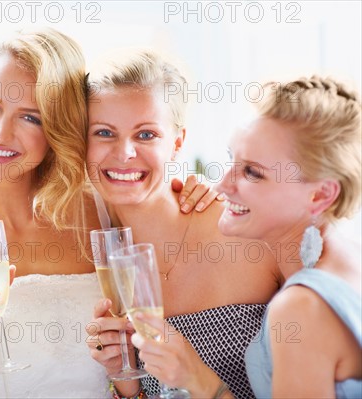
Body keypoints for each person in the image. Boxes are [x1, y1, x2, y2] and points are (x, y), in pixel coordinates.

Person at [0, 29, 215, 398]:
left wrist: (200, 186)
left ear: (59, 128)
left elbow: (133, 368)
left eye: (31, 118)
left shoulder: (102, 211)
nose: (0, 133)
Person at [83, 49, 283, 399]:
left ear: (177, 143)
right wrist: (125, 380)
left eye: (146, 135)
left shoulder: (246, 231)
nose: (124, 152)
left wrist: (200, 380)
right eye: (103, 133)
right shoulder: (100, 259)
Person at [212, 76, 360, 397]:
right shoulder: (347, 255)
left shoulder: (300, 309)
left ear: (320, 195)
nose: (221, 185)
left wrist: (201, 383)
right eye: (230, 160)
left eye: (252, 172)